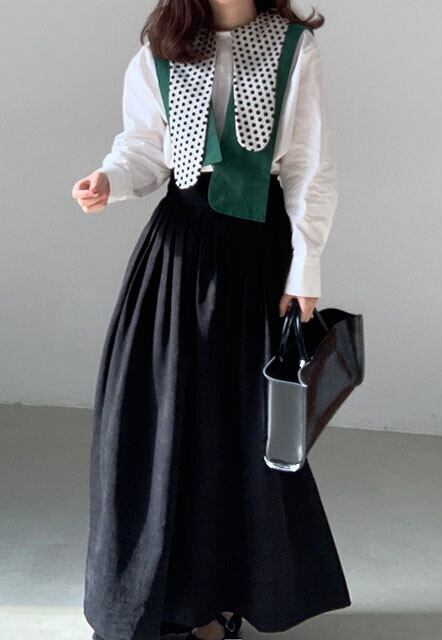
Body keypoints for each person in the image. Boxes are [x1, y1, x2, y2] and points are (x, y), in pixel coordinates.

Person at [71, 1, 350, 638]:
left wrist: (304, 268)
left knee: (243, 426)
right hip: (180, 253)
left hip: (257, 256)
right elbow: (146, 149)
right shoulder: (163, 47)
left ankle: (225, 597)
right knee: (163, 417)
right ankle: (166, 599)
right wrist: (110, 180)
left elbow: (309, 165)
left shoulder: (293, 48)